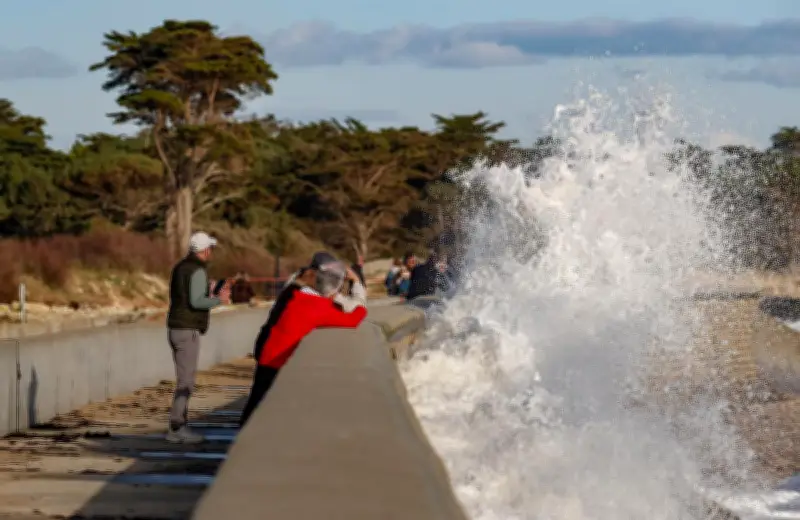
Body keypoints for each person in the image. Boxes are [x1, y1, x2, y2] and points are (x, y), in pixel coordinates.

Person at [240, 257, 367, 427]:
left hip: (269, 356)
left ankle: (242, 436)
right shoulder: (318, 306)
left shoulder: (299, 295)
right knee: (262, 412)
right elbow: (356, 317)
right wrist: (357, 284)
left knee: (256, 406)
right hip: (279, 362)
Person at [165, 231, 230, 444]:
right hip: (187, 329)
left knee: (184, 378)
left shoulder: (180, 267)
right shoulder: (197, 270)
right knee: (186, 381)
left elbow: (184, 296)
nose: (211, 252)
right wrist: (218, 299)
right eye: (210, 248)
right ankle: (177, 427)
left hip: (175, 326)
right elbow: (197, 302)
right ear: (205, 250)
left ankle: (178, 425)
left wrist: (207, 293)